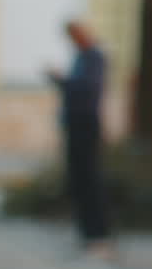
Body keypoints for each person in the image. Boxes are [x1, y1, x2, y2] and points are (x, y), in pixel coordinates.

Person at [46, 20, 112, 256]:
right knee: (79, 181)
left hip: (85, 125)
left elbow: (88, 89)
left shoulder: (94, 58)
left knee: (90, 180)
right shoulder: (81, 58)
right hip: (75, 124)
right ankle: (88, 234)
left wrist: (62, 81)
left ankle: (98, 236)